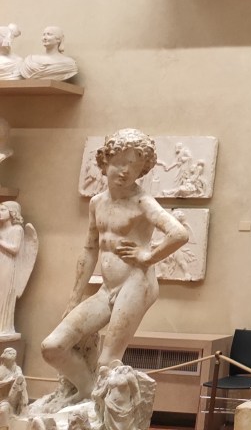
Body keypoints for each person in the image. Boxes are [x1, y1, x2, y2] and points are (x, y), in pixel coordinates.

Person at [39, 130, 188, 405]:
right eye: (120, 162)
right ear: (105, 161)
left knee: (108, 361)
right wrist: (74, 297)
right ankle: (88, 392)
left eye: (135, 166)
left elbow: (179, 233)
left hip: (136, 283)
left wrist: (147, 256)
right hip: (106, 289)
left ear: (142, 170)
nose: (126, 171)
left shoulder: (142, 202)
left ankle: (101, 411)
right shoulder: (97, 202)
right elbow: (90, 249)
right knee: (52, 347)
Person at [0, 201, 36, 336]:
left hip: (8, 265)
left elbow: (15, 249)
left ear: (12, 213)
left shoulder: (17, 230)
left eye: (2, 210)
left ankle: (4, 327)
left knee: (3, 295)